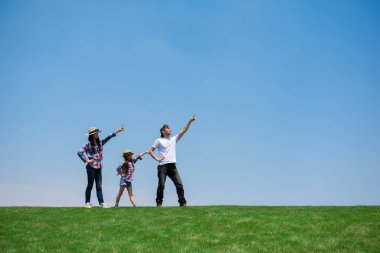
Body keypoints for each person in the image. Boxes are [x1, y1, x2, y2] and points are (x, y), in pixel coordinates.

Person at [149, 114, 196, 207]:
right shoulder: (158, 140)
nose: (170, 129)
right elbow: (150, 151)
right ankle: (159, 203)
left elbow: (184, 130)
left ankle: (182, 203)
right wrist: (157, 158)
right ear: (163, 131)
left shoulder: (173, 139)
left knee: (179, 184)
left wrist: (190, 121)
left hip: (172, 166)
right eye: (168, 128)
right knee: (161, 185)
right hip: (162, 166)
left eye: (170, 128)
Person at [77, 125, 125, 208]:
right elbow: (79, 152)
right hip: (91, 167)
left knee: (99, 186)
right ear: (92, 135)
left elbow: (109, 137)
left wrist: (119, 130)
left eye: (97, 133)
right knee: (90, 185)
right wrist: (87, 160)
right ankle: (87, 203)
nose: (97, 134)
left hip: (99, 167)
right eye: (96, 133)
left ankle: (101, 203)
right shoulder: (88, 145)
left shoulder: (100, 143)